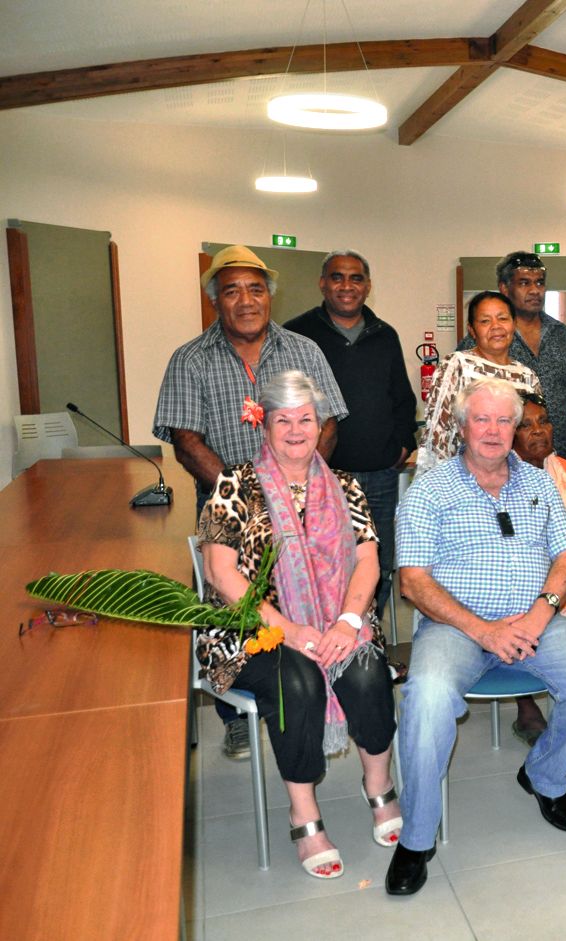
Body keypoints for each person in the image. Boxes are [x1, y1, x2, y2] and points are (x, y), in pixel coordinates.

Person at [386, 378, 566, 896]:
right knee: (424, 698)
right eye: (481, 420)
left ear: (515, 427)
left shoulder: (539, 484)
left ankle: (545, 776)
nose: (492, 431)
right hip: (456, 628)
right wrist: (483, 631)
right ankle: (418, 837)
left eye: (503, 420)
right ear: (462, 427)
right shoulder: (430, 489)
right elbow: (413, 581)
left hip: (536, 620)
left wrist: (539, 615)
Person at [196, 370, 397, 879]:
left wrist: (349, 621)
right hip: (250, 630)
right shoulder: (234, 484)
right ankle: (303, 809)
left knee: (369, 671)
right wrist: (291, 630)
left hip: (339, 623)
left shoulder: (345, 484)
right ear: (263, 424)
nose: (294, 430)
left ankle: (379, 785)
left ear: (320, 424)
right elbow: (220, 573)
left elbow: (369, 561)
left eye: (304, 419)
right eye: (282, 419)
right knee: (297, 681)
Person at [155, 244, 347, 762]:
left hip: (308, 511)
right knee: (237, 608)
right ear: (215, 299)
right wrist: (249, 496)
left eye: (256, 289)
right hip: (230, 516)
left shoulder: (305, 350)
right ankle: (234, 715)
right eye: (233, 290)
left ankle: (325, 686)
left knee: (309, 604)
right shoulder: (189, 359)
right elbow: (187, 441)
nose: (246, 300)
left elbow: (328, 421)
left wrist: (300, 487)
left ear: (270, 296)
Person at [285, 249, 417, 621]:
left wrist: (402, 445)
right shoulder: (297, 334)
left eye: (356, 278)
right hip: (320, 477)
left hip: (378, 476)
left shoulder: (384, 335)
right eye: (338, 277)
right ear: (323, 284)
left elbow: (402, 399)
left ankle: (368, 647)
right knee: (322, 562)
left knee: (379, 560)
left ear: (368, 286)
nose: (347, 286)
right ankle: (326, 643)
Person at [507, 391, 566, 747]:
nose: (539, 431)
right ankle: (525, 700)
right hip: (522, 585)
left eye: (543, 422)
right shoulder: (498, 477)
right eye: (526, 425)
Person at [459, 251, 566, 464]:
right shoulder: (481, 343)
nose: (535, 290)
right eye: (524, 283)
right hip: (502, 464)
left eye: (540, 283)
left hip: (562, 458)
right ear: (505, 288)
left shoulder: (564, 337)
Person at [419, 290, 542, 476]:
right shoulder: (457, 365)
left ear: (514, 324)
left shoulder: (527, 376)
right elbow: (437, 436)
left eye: (502, 318)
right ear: (472, 330)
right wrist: (442, 486)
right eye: (485, 321)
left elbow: (533, 433)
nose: (496, 327)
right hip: (462, 479)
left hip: (514, 480)